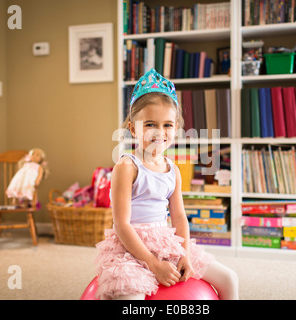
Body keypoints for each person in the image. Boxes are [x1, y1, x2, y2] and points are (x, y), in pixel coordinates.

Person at [94, 69, 239, 300]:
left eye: (168, 125)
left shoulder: (173, 170)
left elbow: (179, 217)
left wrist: (185, 255)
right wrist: (152, 263)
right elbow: (121, 225)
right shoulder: (126, 167)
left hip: (166, 243)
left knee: (229, 278)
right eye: (150, 124)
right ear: (132, 128)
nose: (159, 133)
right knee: (130, 298)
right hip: (131, 249)